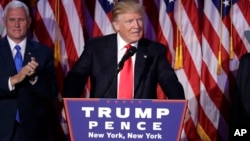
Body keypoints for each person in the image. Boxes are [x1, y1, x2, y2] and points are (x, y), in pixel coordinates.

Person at [63, 0, 185, 100]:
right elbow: (76, 77)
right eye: (129, 21)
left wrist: (180, 105)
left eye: (139, 20)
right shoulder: (96, 48)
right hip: (103, 117)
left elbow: (169, 81)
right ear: (116, 25)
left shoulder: (155, 51)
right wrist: (69, 103)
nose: (137, 26)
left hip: (142, 119)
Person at [0, 1, 58, 141]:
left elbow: (51, 92)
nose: (16, 25)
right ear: (4, 21)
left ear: (29, 21)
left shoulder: (43, 52)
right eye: (12, 20)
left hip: (34, 131)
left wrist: (34, 78)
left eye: (21, 19)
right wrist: (14, 80)